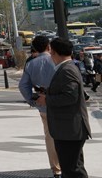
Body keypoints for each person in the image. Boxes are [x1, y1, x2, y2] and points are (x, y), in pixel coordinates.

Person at [36, 38, 91, 178]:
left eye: (50, 51)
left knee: (72, 170)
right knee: (72, 168)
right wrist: (48, 92)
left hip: (70, 130)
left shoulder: (67, 70)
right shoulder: (67, 67)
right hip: (69, 129)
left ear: (53, 51)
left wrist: (47, 100)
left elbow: (70, 97)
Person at [18, 36, 61, 178]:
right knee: (67, 134)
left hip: (43, 105)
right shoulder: (57, 60)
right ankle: (69, 165)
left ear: (35, 48)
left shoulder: (31, 64)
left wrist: (32, 100)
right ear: (49, 46)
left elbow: (23, 85)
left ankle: (56, 169)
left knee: (49, 136)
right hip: (61, 103)